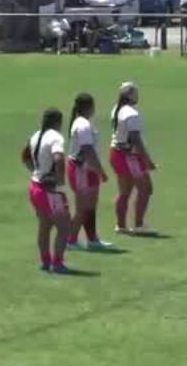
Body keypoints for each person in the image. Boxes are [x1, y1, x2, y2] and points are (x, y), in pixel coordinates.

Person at [22, 107, 76, 274]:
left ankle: (45, 262)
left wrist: (35, 170)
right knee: (64, 227)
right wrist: (59, 182)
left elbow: (24, 156)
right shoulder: (55, 137)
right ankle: (57, 263)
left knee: (44, 226)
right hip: (50, 190)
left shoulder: (36, 135)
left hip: (35, 186)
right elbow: (58, 159)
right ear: (58, 121)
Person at [109, 82, 157, 235]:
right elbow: (135, 138)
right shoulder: (131, 114)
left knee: (125, 191)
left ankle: (121, 225)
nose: (138, 95)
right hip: (129, 155)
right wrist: (147, 160)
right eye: (135, 92)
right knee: (146, 188)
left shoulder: (117, 109)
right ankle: (138, 224)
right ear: (130, 95)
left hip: (116, 152)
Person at [67, 93, 113, 251]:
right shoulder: (82, 125)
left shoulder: (84, 123)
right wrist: (101, 171)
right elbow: (87, 150)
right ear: (89, 107)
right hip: (82, 170)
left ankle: (92, 239)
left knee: (91, 207)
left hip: (89, 169)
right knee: (83, 208)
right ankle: (70, 240)